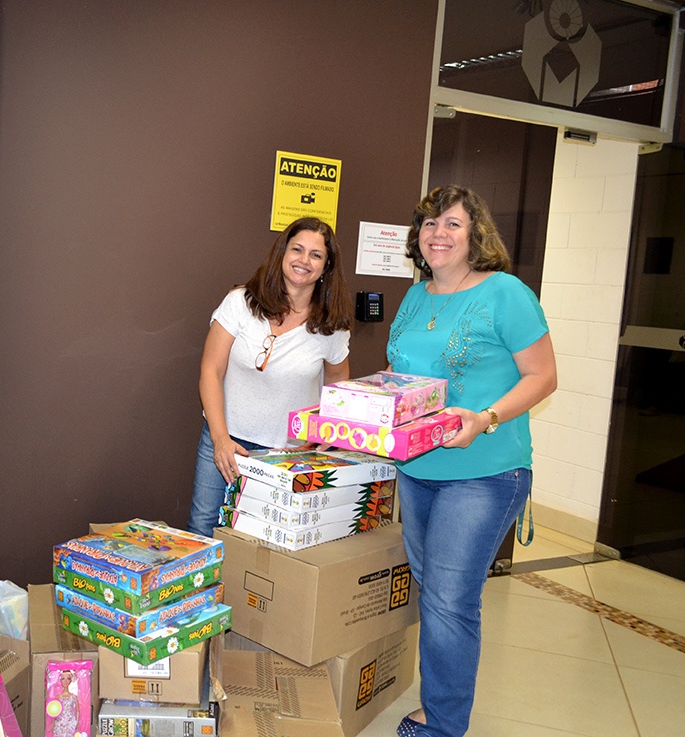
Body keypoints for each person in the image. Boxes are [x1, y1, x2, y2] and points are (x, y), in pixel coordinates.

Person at [387, 185, 557, 737]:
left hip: (485, 470)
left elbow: (543, 376)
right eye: (429, 224)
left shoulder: (506, 293)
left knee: (449, 598)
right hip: (418, 469)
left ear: (474, 234)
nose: (438, 234)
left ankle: (442, 725)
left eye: (452, 224)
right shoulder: (416, 296)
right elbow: (406, 380)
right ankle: (439, 703)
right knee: (432, 589)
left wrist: (485, 417)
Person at [186, 216, 354, 536]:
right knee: (202, 530)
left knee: (262, 543)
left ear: (326, 267)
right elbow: (211, 370)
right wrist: (221, 439)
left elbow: (338, 387)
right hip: (224, 440)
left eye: (316, 255)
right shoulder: (240, 302)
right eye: (297, 249)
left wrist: (320, 436)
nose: (304, 260)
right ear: (282, 253)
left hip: (285, 455)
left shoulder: (332, 325)